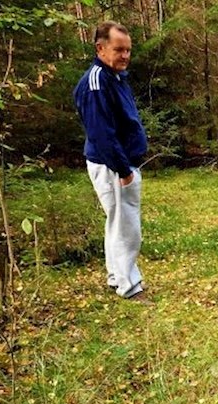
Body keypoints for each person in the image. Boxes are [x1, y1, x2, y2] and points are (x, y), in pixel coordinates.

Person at [74, 21, 148, 299]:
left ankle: (117, 277)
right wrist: (122, 168)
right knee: (126, 227)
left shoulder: (116, 77)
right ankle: (129, 286)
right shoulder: (95, 83)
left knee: (117, 222)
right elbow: (101, 133)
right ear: (100, 48)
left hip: (121, 163)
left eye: (128, 50)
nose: (125, 56)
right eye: (119, 50)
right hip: (112, 166)